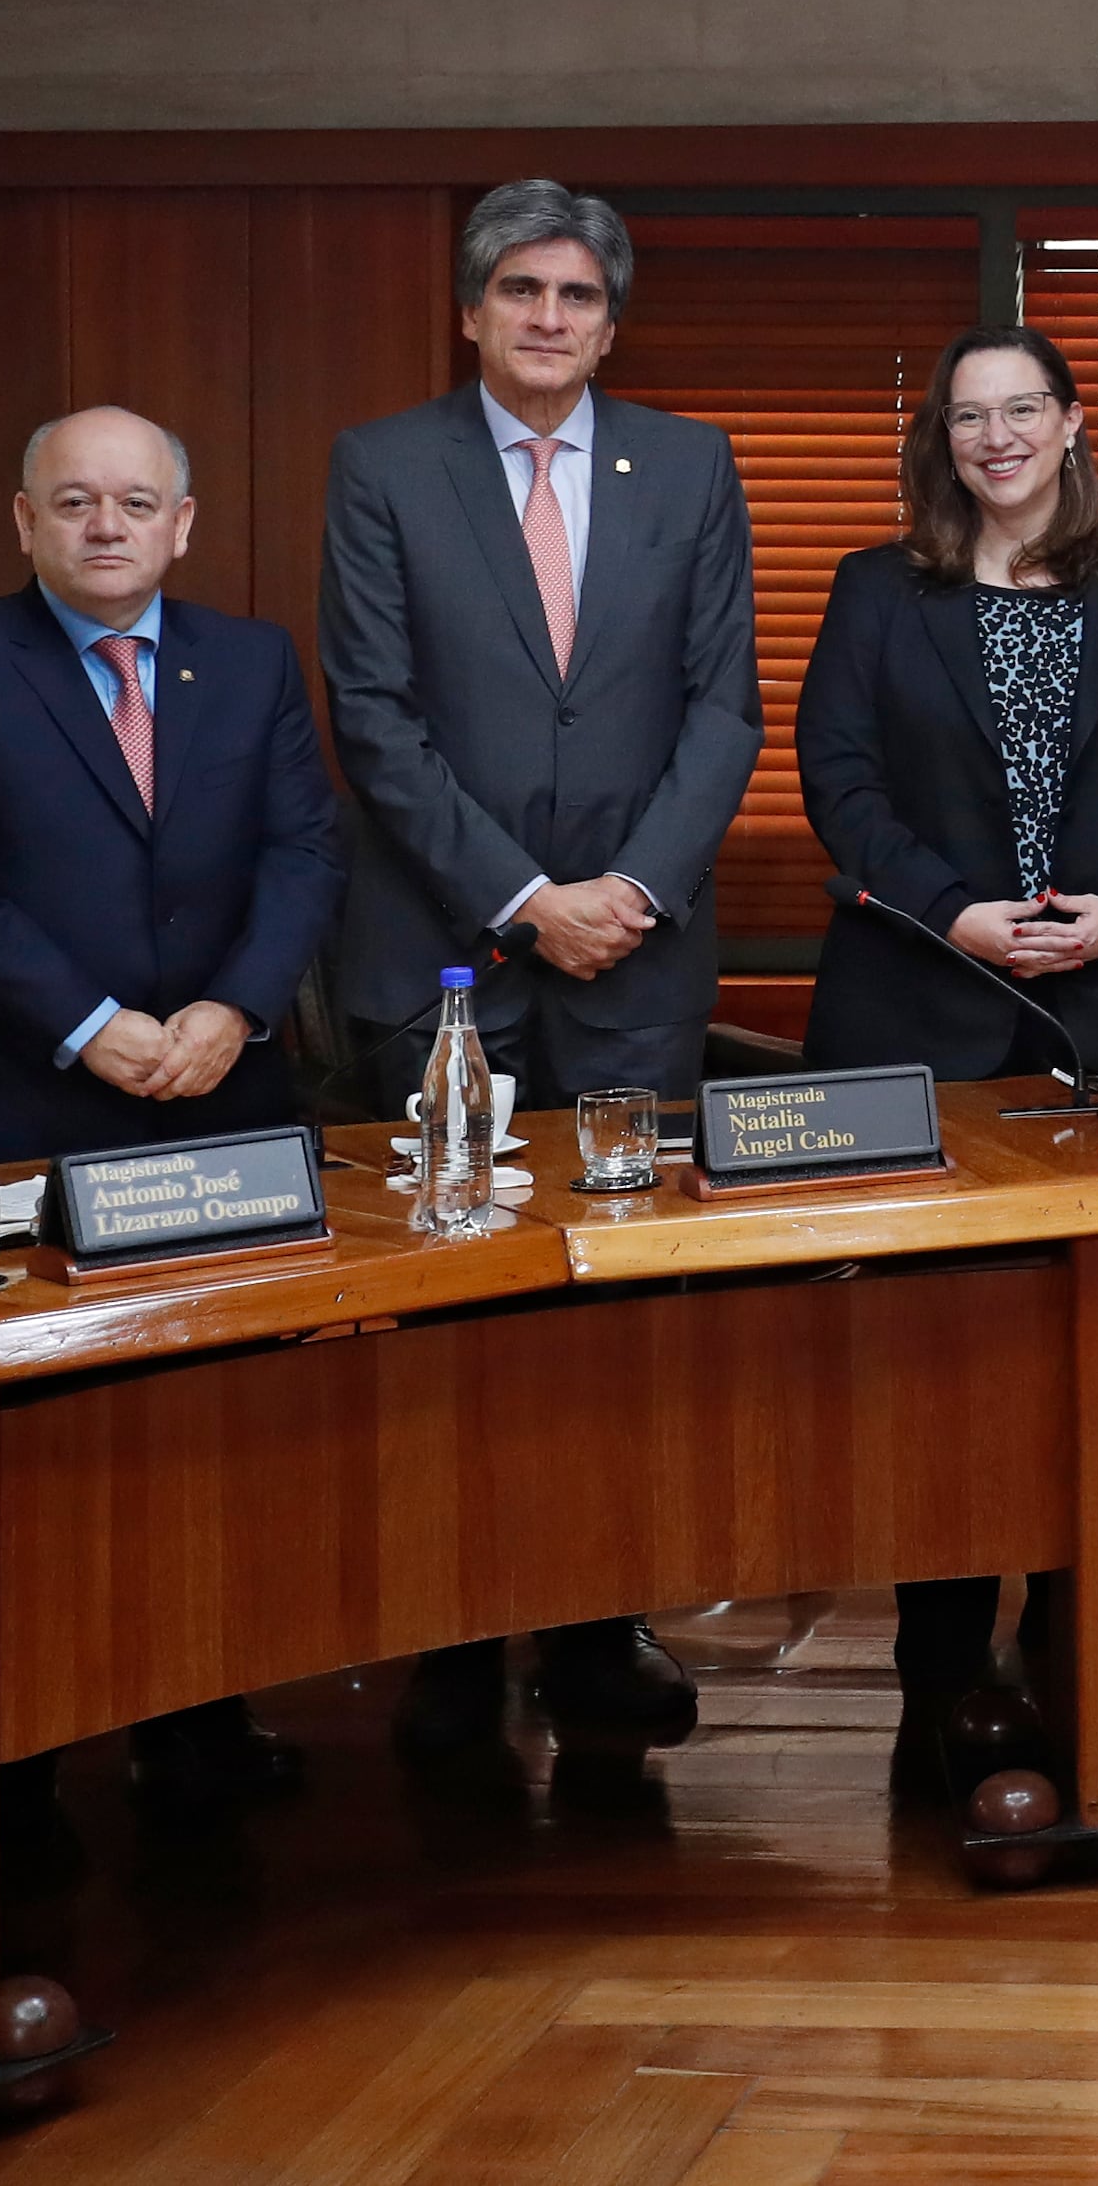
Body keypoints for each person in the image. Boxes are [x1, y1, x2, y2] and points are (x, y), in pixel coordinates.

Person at [320, 179, 762, 1769]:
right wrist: (523, 897)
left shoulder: (690, 464)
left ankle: (592, 1631)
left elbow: (724, 708)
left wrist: (626, 890)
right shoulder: (384, 465)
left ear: (610, 320)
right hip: (448, 953)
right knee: (445, 1314)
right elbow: (373, 714)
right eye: (520, 289)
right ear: (471, 310)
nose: (549, 316)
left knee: (615, 1321)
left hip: (635, 963)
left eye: (577, 293)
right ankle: (445, 1640)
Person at [0, 401, 345, 1844]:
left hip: (219, 1108)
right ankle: (5, 1770)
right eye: (74, 501)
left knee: (202, 1446)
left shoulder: (250, 661)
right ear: (24, 521)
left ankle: (196, 1724)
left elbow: (304, 851)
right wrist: (94, 1023)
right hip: (14, 1114)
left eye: (136, 503)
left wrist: (235, 1010)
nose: (107, 525)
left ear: (183, 524)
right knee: (22, 1465)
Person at [796, 324, 1098, 1772]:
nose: (996, 438)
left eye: (1021, 409)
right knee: (943, 1358)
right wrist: (949, 914)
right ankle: (939, 1673)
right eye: (970, 416)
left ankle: (1078, 1635)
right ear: (944, 436)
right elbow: (838, 781)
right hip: (916, 1013)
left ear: (1070, 420)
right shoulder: (877, 591)